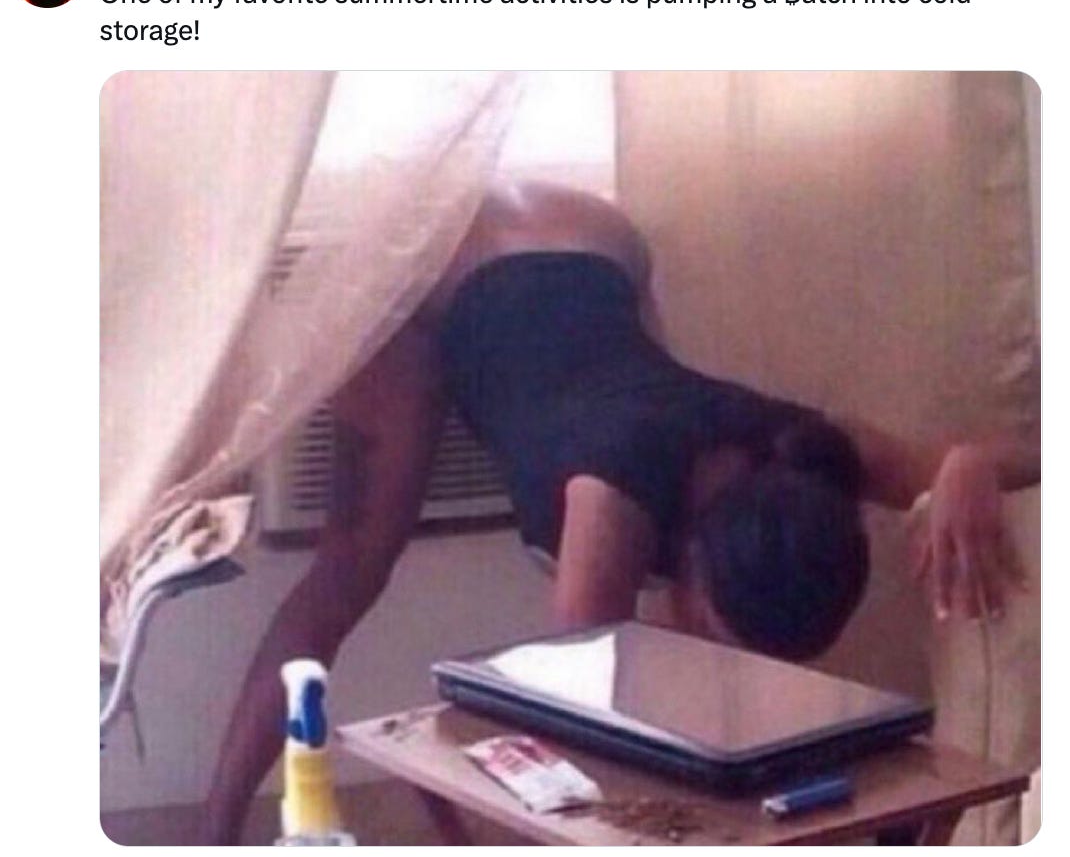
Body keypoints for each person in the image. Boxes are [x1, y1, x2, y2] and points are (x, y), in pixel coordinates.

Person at [202, 181, 1038, 843]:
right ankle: (210, 831)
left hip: (593, 237)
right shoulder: (610, 501)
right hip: (422, 263)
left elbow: (1036, 455)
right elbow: (569, 748)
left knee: (657, 678)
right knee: (349, 570)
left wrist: (964, 465)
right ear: (694, 561)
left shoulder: (807, 449)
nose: (729, 661)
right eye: (723, 636)